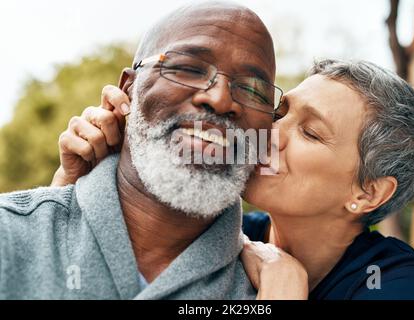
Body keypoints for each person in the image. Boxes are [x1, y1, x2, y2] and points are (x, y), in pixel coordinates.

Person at [56, 59, 414, 299]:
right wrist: (74, 185)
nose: (269, 133)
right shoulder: (219, 231)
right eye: (279, 112)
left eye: (311, 133)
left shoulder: (406, 285)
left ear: (368, 192)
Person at [0, 1, 305, 299]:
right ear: (128, 90)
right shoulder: (12, 232)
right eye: (187, 67)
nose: (221, 100)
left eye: (253, 89)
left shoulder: (271, 291)